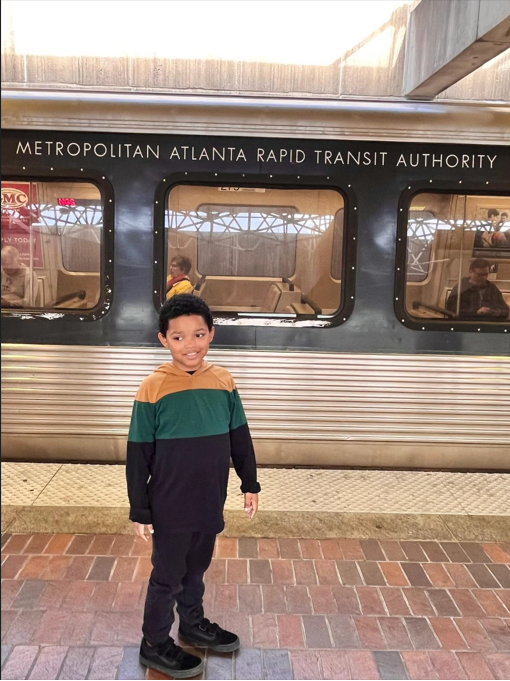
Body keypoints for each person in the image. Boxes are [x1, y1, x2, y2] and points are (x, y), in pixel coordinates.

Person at [126, 294, 261, 678]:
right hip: (169, 505)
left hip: (208, 500)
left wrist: (249, 482)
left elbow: (240, 438)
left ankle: (191, 624)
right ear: (163, 340)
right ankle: (154, 643)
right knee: (166, 576)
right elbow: (138, 454)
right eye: (179, 337)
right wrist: (140, 507)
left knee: (196, 568)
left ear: (211, 334)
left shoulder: (223, 381)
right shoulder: (152, 387)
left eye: (199, 334)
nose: (191, 345)